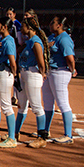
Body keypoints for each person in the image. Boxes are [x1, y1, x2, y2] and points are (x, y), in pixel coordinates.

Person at [15, 17, 50, 149]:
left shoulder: (36, 42)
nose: (21, 28)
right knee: (22, 105)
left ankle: (42, 137)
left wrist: (42, 73)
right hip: (25, 73)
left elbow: (41, 62)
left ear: (29, 27)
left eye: (23, 26)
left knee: (36, 106)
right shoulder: (29, 41)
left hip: (32, 74)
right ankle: (15, 133)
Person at [42, 16, 77, 144]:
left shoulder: (64, 38)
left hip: (60, 71)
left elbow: (70, 58)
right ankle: (45, 130)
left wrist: (72, 70)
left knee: (62, 102)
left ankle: (68, 135)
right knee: (47, 101)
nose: (50, 24)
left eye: (53, 22)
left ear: (59, 25)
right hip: (50, 71)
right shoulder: (52, 37)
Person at [0, 16, 19, 148]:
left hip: (5, 73)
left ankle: (12, 138)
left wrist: (14, 76)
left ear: (5, 27)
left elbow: (12, 61)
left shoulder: (9, 41)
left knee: (6, 105)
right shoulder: (0, 40)